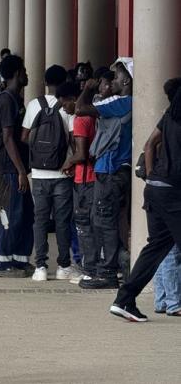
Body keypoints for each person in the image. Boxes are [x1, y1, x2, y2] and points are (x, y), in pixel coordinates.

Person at [110, 77, 181, 322]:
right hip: (172, 192)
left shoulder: (170, 117)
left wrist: (151, 178)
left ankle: (124, 299)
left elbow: (149, 144)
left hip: (156, 188)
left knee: (156, 248)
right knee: (158, 248)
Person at [75, 58, 133, 289]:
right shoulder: (122, 103)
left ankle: (107, 272)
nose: (110, 82)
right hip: (111, 169)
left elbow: (80, 109)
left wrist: (87, 90)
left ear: (126, 80)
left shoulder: (123, 102)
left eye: (116, 77)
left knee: (103, 220)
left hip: (111, 170)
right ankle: (110, 266)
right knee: (105, 219)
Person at [21, 65, 80, 282]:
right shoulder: (68, 105)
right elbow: (75, 139)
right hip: (62, 172)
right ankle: (64, 265)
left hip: (38, 173)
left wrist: (41, 150)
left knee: (40, 220)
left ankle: (41, 267)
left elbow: (25, 136)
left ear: (45, 82)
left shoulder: (34, 104)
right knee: (63, 221)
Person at [63, 68, 114, 284]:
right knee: (99, 224)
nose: (64, 107)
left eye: (66, 102)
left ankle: (90, 268)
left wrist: (68, 161)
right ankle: (99, 266)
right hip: (99, 176)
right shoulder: (101, 115)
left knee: (85, 225)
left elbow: (82, 154)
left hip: (85, 178)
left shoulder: (81, 119)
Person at [0, 55, 34, 277]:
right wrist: (20, 171)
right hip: (8, 169)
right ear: (17, 74)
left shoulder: (13, 99)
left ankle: (18, 259)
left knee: (24, 215)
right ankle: (2, 262)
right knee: (10, 215)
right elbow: (8, 138)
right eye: (24, 71)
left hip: (13, 168)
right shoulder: (6, 101)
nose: (27, 75)